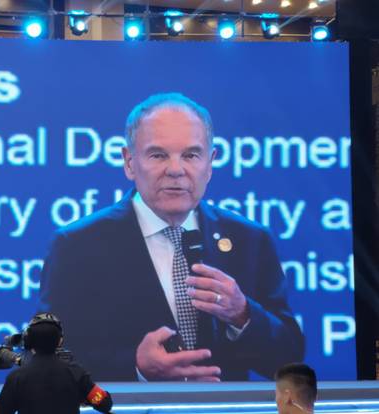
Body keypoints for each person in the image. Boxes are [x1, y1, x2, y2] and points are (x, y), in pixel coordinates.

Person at [39, 92, 304, 381]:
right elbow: (47, 361)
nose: (176, 170)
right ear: (129, 162)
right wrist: (136, 368)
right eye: (158, 155)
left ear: (210, 163)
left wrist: (242, 314)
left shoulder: (249, 240)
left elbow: (289, 359)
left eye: (191, 155)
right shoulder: (78, 246)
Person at [0, 312, 112, 414]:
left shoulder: (16, 377)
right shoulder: (76, 373)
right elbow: (104, 404)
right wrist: (85, 398)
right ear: (60, 340)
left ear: (28, 341)